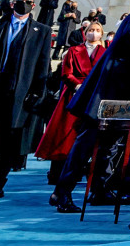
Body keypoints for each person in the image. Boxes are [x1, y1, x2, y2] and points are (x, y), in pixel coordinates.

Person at [50, 5, 130, 212]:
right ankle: (62, 192)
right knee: (86, 142)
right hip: (107, 89)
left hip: (120, 92)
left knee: (111, 143)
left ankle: (101, 190)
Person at [0, 0, 51, 197]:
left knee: (8, 139)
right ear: (12, 3)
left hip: (18, 92)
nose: (24, 5)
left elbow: (43, 65)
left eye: (28, 2)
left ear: (33, 5)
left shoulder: (41, 31)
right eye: (20, 1)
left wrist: (37, 92)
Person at [35, 22, 105, 179]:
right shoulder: (74, 50)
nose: (94, 33)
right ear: (85, 33)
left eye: (97, 31)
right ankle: (57, 171)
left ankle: (81, 170)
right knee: (64, 132)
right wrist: (78, 85)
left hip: (94, 96)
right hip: (73, 93)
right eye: (91, 30)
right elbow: (66, 72)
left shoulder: (104, 52)